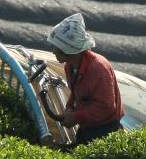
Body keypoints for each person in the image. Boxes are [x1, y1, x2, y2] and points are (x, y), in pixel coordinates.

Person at [46, 13, 124, 146]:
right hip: (87, 127)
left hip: (106, 131)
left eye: (58, 50)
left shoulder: (98, 68)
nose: (54, 52)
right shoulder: (70, 66)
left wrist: (76, 117)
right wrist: (69, 109)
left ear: (71, 50)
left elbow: (106, 107)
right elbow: (76, 94)